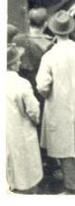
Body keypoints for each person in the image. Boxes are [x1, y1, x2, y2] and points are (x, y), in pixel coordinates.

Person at [35, 10, 75, 195]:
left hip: (59, 107)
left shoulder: (49, 57)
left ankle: (71, 187)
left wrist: (49, 94)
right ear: (70, 30)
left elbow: (42, 86)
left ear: (54, 32)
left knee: (65, 148)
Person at [6, 43, 43, 194]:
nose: (20, 63)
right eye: (18, 60)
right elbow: (33, 110)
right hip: (21, 131)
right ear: (13, 64)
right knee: (26, 168)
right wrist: (35, 121)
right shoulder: (22, 84)